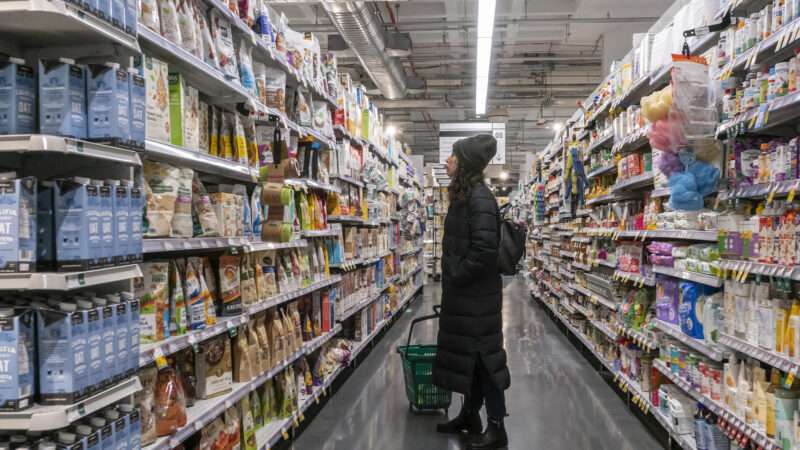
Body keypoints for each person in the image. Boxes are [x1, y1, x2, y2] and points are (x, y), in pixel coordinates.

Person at [432, 134, 510, 450]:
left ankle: (496, 427)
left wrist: (456, 275)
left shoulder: (479, 198)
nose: (446, 160)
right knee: (470, 359)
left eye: (452, 156)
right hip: (467, 297)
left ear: (464, 163)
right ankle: (468, 415)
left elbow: (483, 249)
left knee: (484, 360)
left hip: (475, 298)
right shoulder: (467, 195)